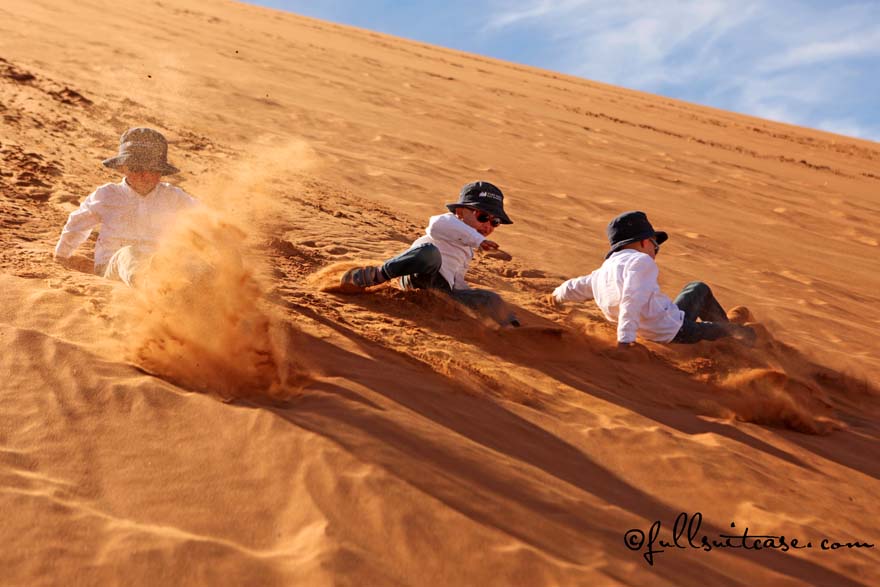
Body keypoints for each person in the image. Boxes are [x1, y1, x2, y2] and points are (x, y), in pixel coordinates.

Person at [547, 211, 755, 347]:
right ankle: (742, 344)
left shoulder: (603, 272)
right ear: (644, 242)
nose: (656, 250)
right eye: (656, 245)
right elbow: (632, 298)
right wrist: (625, 340)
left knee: (697, 288)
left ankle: (722, 327)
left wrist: (555, 296)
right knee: (737, 333)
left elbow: (575, 287)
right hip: (675, 330)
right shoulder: (641, 262)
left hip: (657, 323)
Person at [339, 181, 520, 327]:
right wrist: (478, 240)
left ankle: (514, 332)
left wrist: (469, 296)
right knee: (430, 253)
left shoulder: (467, 247)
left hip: (439, 289)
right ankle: (375, 275)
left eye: (495, 222)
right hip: (417, 272)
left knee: (491, 298)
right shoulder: (447, 223)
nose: (488, 225)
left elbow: (456, 276)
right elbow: (437, 225)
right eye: (482, 217)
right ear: (460, 212)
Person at [53, 127, 199, 286]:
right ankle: (146, 286)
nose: (144, 175)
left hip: (159, 265)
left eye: (151, 169)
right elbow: (77, 225)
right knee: (127, 254)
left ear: (161, 172)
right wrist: (61, 255)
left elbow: (204, 219)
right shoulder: (107, 195)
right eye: (136, 168)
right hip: (113, 267)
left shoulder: (173, 197)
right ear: (123, 168)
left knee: (191, 263)